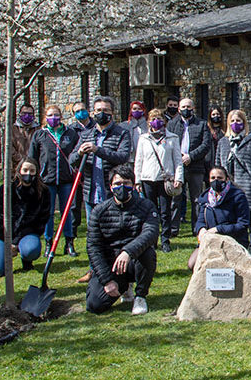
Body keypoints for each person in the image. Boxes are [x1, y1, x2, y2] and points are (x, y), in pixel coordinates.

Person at [71, 96, 132, 283]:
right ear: (93, 112)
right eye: (98, 110)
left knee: (115, 232)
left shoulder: (121, 133)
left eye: (106, 110)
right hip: (91, 192)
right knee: (94, 234)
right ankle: (94, 270)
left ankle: (118, 269)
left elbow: (122, 157)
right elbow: (71, 160)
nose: (101, 114)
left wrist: (98, 150)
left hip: (112, 192)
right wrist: (79, 153)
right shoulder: (86, 135)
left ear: (112, 113)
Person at [85, 165, 159, 316]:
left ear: (133, 185)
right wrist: (106, 280)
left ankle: (140, 296)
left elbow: (150, 233)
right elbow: (93, 247)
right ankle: (123, 287)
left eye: (126, 183)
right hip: (110, 265)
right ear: (111, 186)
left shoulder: (146, 206)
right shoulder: (99, 211)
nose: (122, 187)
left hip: (134, 260)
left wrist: (128, 252)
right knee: (94, 305)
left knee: (148, 253)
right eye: (118, 183)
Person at [28, 105, 80, 257]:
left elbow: (76, 154)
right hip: (46, 180)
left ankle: (69, 242)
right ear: (45, 117)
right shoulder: (40, 135)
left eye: (56, 115)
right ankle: (49, 242)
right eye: (50, 115)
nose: (53, 118)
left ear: (61, 116)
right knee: (48, 213)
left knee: (67, 212)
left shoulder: (70, 133)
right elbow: (32, 157)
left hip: (66, 179)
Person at [0, 158, 51, 276]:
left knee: (31, 250)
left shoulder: (43, 192)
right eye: (25, 170)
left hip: (27, 233)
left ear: (37, 172)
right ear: (19, 170)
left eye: (32, 171)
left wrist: (15, 243)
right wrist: (8, 241)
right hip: (3, 234)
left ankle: (26, 259)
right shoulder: (6, 189)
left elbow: (41, 221)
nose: (28, 173)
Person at [215, 109, 251, 247]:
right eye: (232, 121)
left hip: (247, 185)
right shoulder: (223, 142)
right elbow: (218, 165)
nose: (235, 123)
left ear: (244, 122)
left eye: (238, 121)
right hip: (229, 187)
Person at [134, 108, 184, 253]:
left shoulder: (172, 138)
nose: (156, 121)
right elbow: (139, 160)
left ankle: (165, 239)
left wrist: (178, 178)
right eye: (153, 119)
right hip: (148, 178)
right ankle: (152, 239)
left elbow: (178, 160)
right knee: (150, 211)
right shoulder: (144, 139)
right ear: (149, 122)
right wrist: (137, 180)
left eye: (159, 118)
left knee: (165, 211)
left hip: (165, 179)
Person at [190, 166, 251, 270]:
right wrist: (201, 229)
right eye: (213, 178)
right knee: (192, 264)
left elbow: (243, 224)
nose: (216, 181)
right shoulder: (205, 198)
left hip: (233, 240)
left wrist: (218, 229)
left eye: (219, 178)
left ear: (227, 179)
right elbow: (200, 220)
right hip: (210, 240)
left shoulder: (238, 196)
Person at [168, 97, 213, 236]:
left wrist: (191, 156)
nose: (186, 109)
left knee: (196, 200)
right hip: (177, 167)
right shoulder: (172, 124)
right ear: (179, 109)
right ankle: (173, 229)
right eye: (183, 107)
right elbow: (169, 143)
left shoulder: (202, 124)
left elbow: (206, 145)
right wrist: (179, 157)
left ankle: (197, 228)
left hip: (196, 167)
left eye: (188, 107)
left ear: (193, 108)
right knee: (175, 199)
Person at [68, 101, 95, 241]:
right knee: (74, 206)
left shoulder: (96, 127)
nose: (81, 113)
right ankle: (71, 236)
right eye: (77, 111)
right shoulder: (71, 130)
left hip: (92, 170)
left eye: (83, 110)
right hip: (76, 172)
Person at [206, 104, 226, 172]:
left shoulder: (224, 130)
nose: (216, 116)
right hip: (209, 160)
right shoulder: (207, 129)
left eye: (217, 114)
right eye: (213, 114)